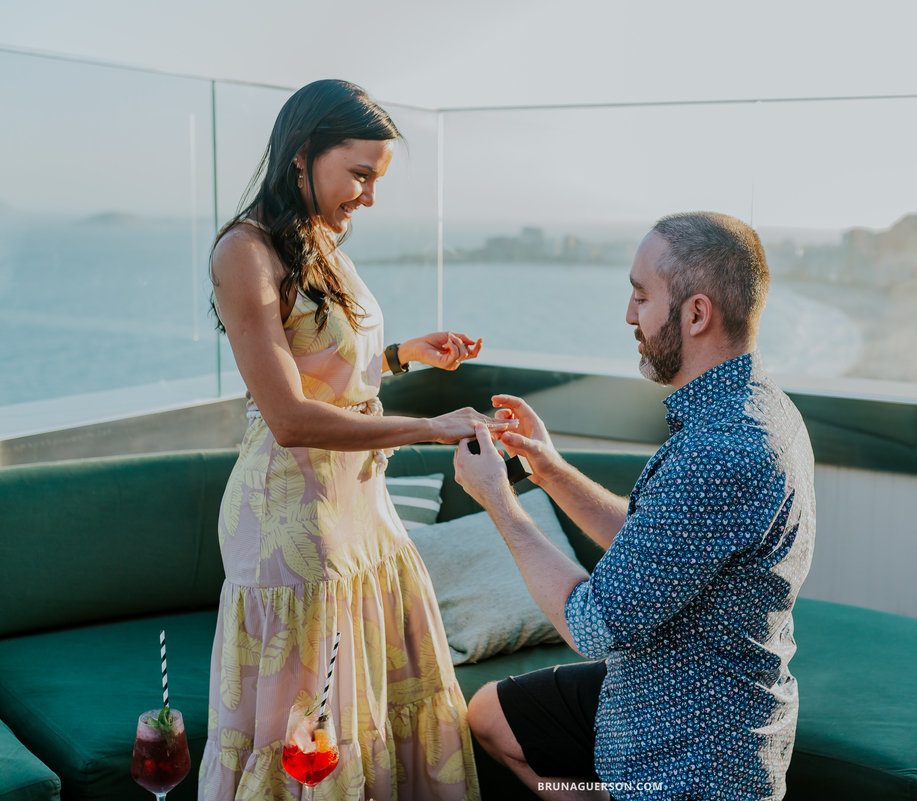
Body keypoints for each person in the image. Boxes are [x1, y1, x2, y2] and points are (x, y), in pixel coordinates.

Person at [199, 79, 512, 801]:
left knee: (376, 711)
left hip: (360, 512)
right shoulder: (244, 253)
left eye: (377, 180)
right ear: (303, 153)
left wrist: (400, 355)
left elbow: (321, 366)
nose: (368, 197)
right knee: (309, 738)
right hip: (293, 523)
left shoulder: (317, 237)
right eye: (361, 174)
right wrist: (432, 427)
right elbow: (290, 417)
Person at [455, 212, 816, 800]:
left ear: (696, 314)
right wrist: (547, 468)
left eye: (642, 297)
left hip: (692, 755)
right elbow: (657, 543)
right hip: (655, 690)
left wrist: (499, 501)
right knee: (493, 715)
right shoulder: (759, 407)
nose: (629, 315)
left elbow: (592, 624)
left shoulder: (721, 451)